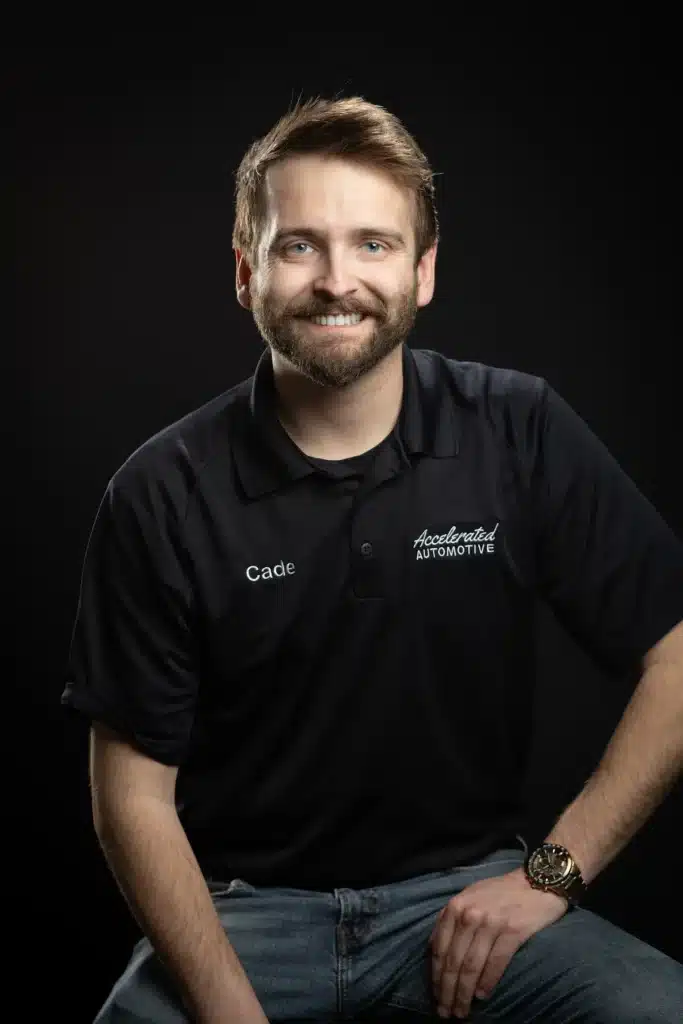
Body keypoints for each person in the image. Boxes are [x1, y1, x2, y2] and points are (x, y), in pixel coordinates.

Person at [62, 96, 683, 1023]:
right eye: (298, 245)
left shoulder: (516, 429)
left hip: (466, 902)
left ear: (423, 272)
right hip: (243, 917)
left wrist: (551, 875)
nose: (337, 279)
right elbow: (132, 800)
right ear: (246, 271)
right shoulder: (162, 489)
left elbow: (676, 655)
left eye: (374, 245)